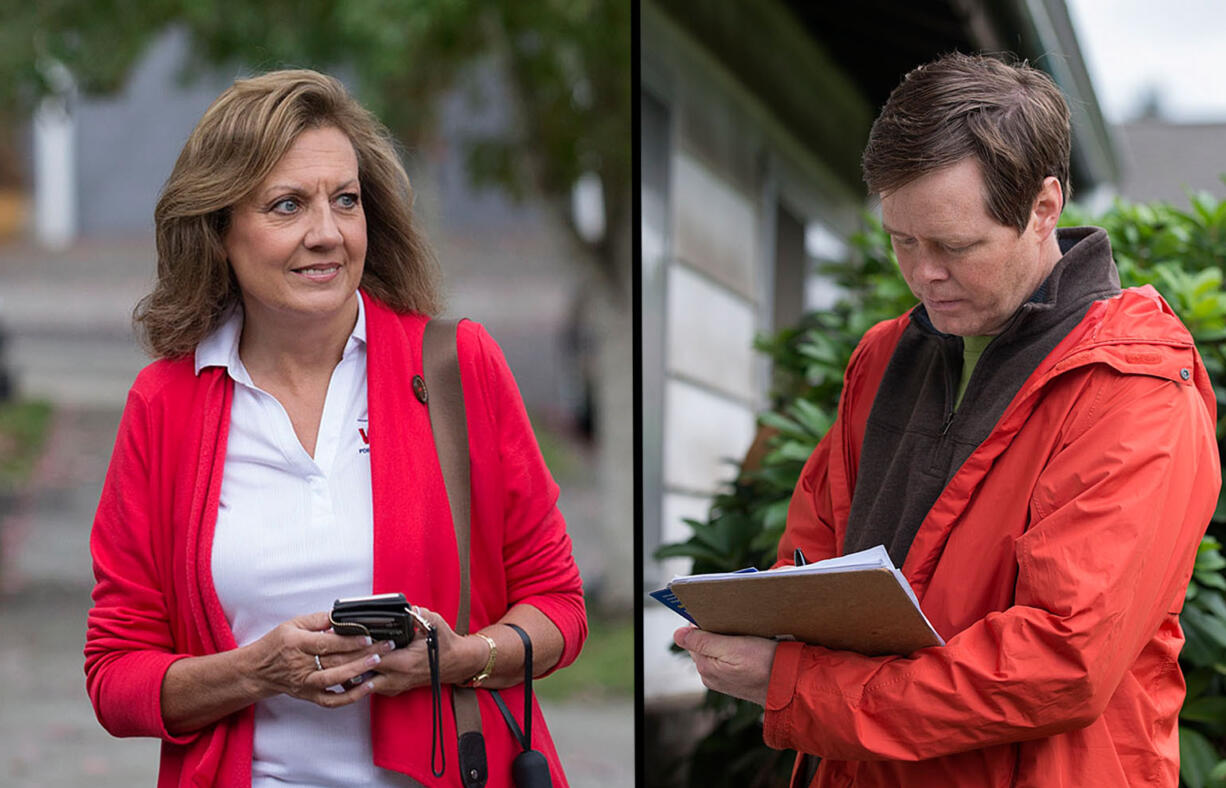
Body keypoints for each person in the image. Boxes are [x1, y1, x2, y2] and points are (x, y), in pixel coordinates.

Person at [674, 52, 1220, 786]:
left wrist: (798, 685)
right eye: (902, 240)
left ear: (1043, 208)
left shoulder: (1135, 384)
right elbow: (810, 563)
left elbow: (1060, 661)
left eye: (955, 246)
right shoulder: (882, 357)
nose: (924, 272)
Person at [84, 69, 587, 787]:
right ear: (219, 228)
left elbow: (560, 607)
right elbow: (114, 676)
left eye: (344, 201)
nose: (326, 233)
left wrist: (464, 657)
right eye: (287, 205)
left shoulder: (454, 366)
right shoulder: (166, 403)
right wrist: (254, 672)